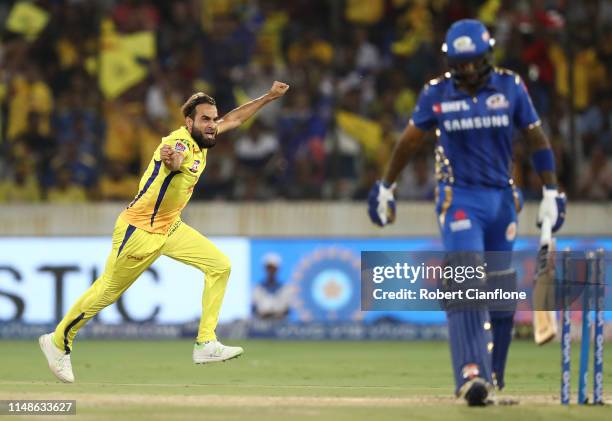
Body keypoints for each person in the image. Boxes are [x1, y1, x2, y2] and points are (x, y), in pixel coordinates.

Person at [367, 20, 566, 406]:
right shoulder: (436, 93)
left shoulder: (511, 86)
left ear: (487, 56)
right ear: (451, 62)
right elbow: (409, 142)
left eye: (476, 62)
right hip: (459, 198)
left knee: (499, 289)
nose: (470, 70)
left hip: (501, 201)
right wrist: (386, 185)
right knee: (465, 277)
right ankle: (471, 375)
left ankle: (494, 379)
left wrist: (552, 190)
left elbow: (536, 137)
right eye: (463, 64)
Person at [39, 81, 290, 383]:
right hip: (140, 230)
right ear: (189, 122)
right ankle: (57, 341)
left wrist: (270, 97)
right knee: (107, 291)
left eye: (213, 119)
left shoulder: (203, 138)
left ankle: (205, 343)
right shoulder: (180, 143)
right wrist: (173, 161)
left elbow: (235, 119)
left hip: (170, 226)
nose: (212, 125)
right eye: (205, 119)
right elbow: (174, 158)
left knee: (220, 266)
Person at [252, 253, 292, 320]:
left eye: (273, 268)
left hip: (280, 324)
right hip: (262, 323)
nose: (271, 271)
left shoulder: (285, 289)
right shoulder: (258, 288)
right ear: (265, 269)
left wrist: (276, 314)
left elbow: (286, 309)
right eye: (269, 268)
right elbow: (255, 308)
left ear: (278, 269)